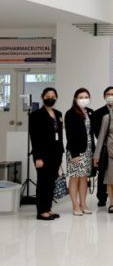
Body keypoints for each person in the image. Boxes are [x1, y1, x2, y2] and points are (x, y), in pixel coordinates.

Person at [29, 87, 64, 220]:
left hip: (56, 153)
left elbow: (60, 134)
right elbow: (34, 137)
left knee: (51, 183)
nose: (51, 98)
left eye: (53, 96)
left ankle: (48, 208)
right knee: (43, 182)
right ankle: (41, 211)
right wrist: (38, 157)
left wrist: (61, 153)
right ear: (42, 97)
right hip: (42, 155)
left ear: (56, 98)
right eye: (48, 96)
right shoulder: (36, 115)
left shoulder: (58, 114)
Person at [64, 88, 95, 216]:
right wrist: (74, 154)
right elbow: (70, 135)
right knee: (75, 178)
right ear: (75, 99)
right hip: (76, 151)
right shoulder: (70, 113)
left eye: (86, 97)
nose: (84, 99)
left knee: (84, 178)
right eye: (81, 97)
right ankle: (75, 205)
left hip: (88, 150)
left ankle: (83, 203)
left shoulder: (90, 112)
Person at [92, 86, 113, 207]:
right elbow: (98, 133)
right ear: (104, 96)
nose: (110, 96)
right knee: (103, 173)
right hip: (104, 147)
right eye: (108, 94)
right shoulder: (97, 113)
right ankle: (102, 198)